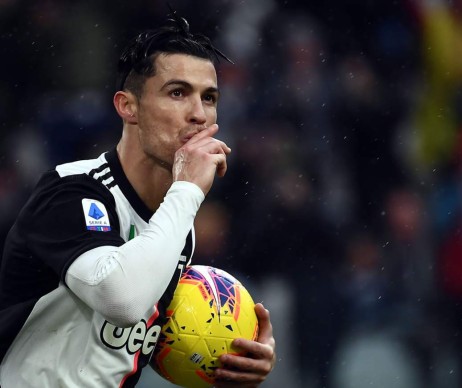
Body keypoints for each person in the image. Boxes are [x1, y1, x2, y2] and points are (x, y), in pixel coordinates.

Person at [0, 9, 275, 388]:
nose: (198, 114)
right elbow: (123, 302)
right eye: (177, 93)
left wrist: (236, 352)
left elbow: (143, 344)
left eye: (209, 98)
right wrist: (189, 190)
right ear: (127, 106)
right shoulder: (71, 191)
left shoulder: (176, 223)